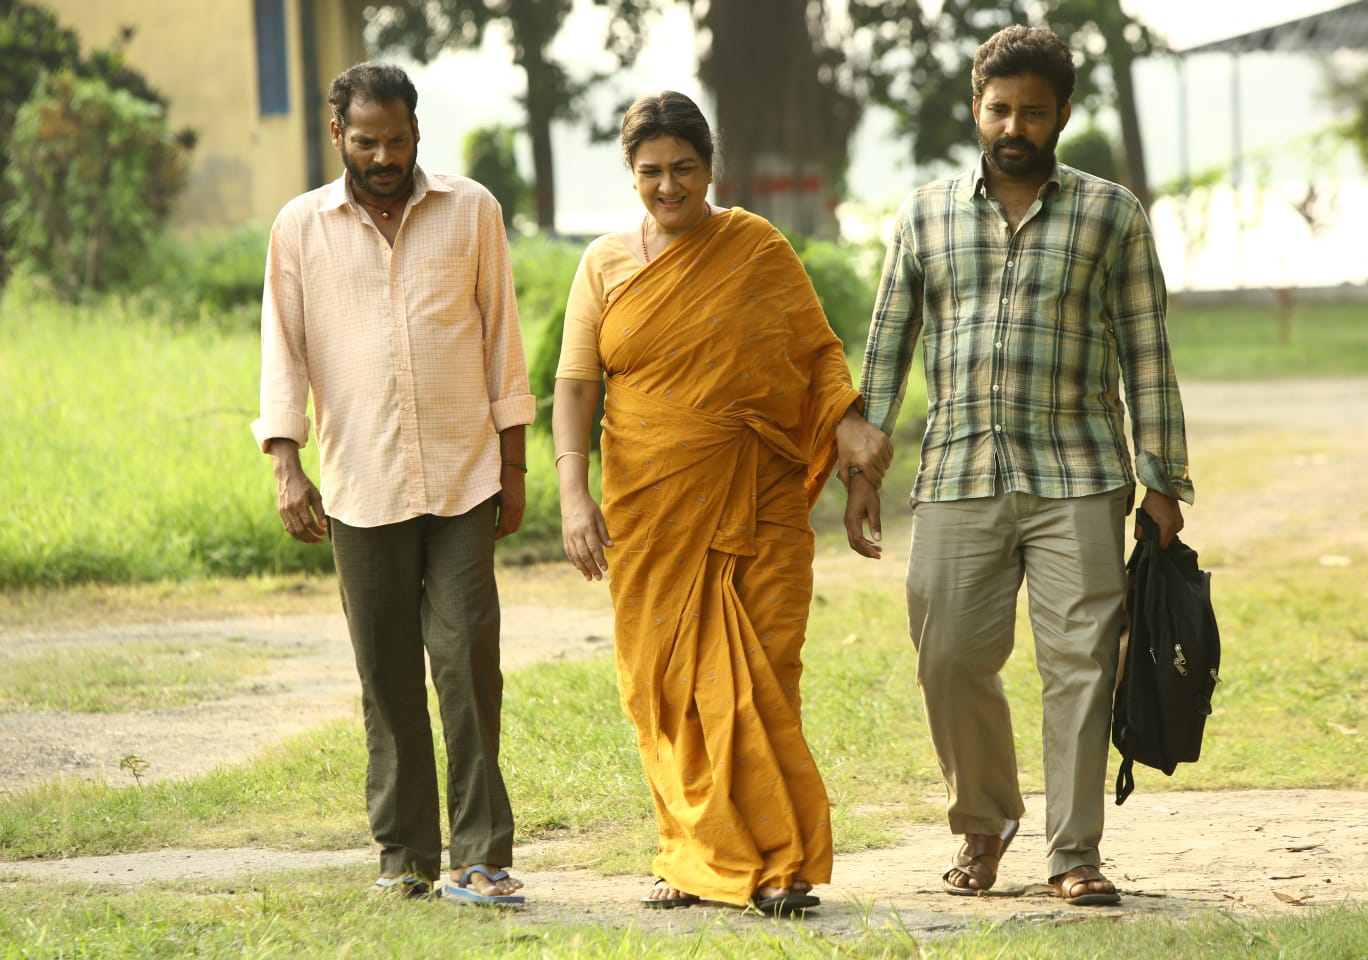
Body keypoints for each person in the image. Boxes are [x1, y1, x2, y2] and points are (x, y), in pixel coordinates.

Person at [844, 25, 1194, 908]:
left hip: (1080, 472)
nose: (1014, 126)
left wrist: (1163, 480)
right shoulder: (924, 214)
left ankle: (1073, 852)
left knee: (1081, 664)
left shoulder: (1111, 213)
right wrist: (860, 467)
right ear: (976, 109)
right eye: (999, 109)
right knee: (948, 656)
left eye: (1033, 112)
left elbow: (1147, 351)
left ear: (1062, 115)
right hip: (957, 471)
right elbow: (886, 347)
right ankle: (985, 819)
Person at [551, 91, 892, 915]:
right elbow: (576, 386)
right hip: (650, 505)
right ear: (631, 174)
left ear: (710, 167)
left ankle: (780, 865)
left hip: (758, 498)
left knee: (762, 675)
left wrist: (848, 426)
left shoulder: (755, 248)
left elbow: (816, 352)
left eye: (684, 168)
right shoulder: (603, 264)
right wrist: (571, 495)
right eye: (650, 172)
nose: (668, 186)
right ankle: (694, 856)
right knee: (667, 683)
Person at [250, 62, 532, 905]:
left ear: (416, 133)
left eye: (398, 140)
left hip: (464, 476)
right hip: (360, 481)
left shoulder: (471, 211)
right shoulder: (301, 227)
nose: (384, 157)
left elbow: (503, 344)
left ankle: (482, 855)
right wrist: (286, 464)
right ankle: (405, 858)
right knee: (386, 674)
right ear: (338, 134)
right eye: (367, 141)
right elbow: (282, 352)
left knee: (467, 659)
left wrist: (514, 466)